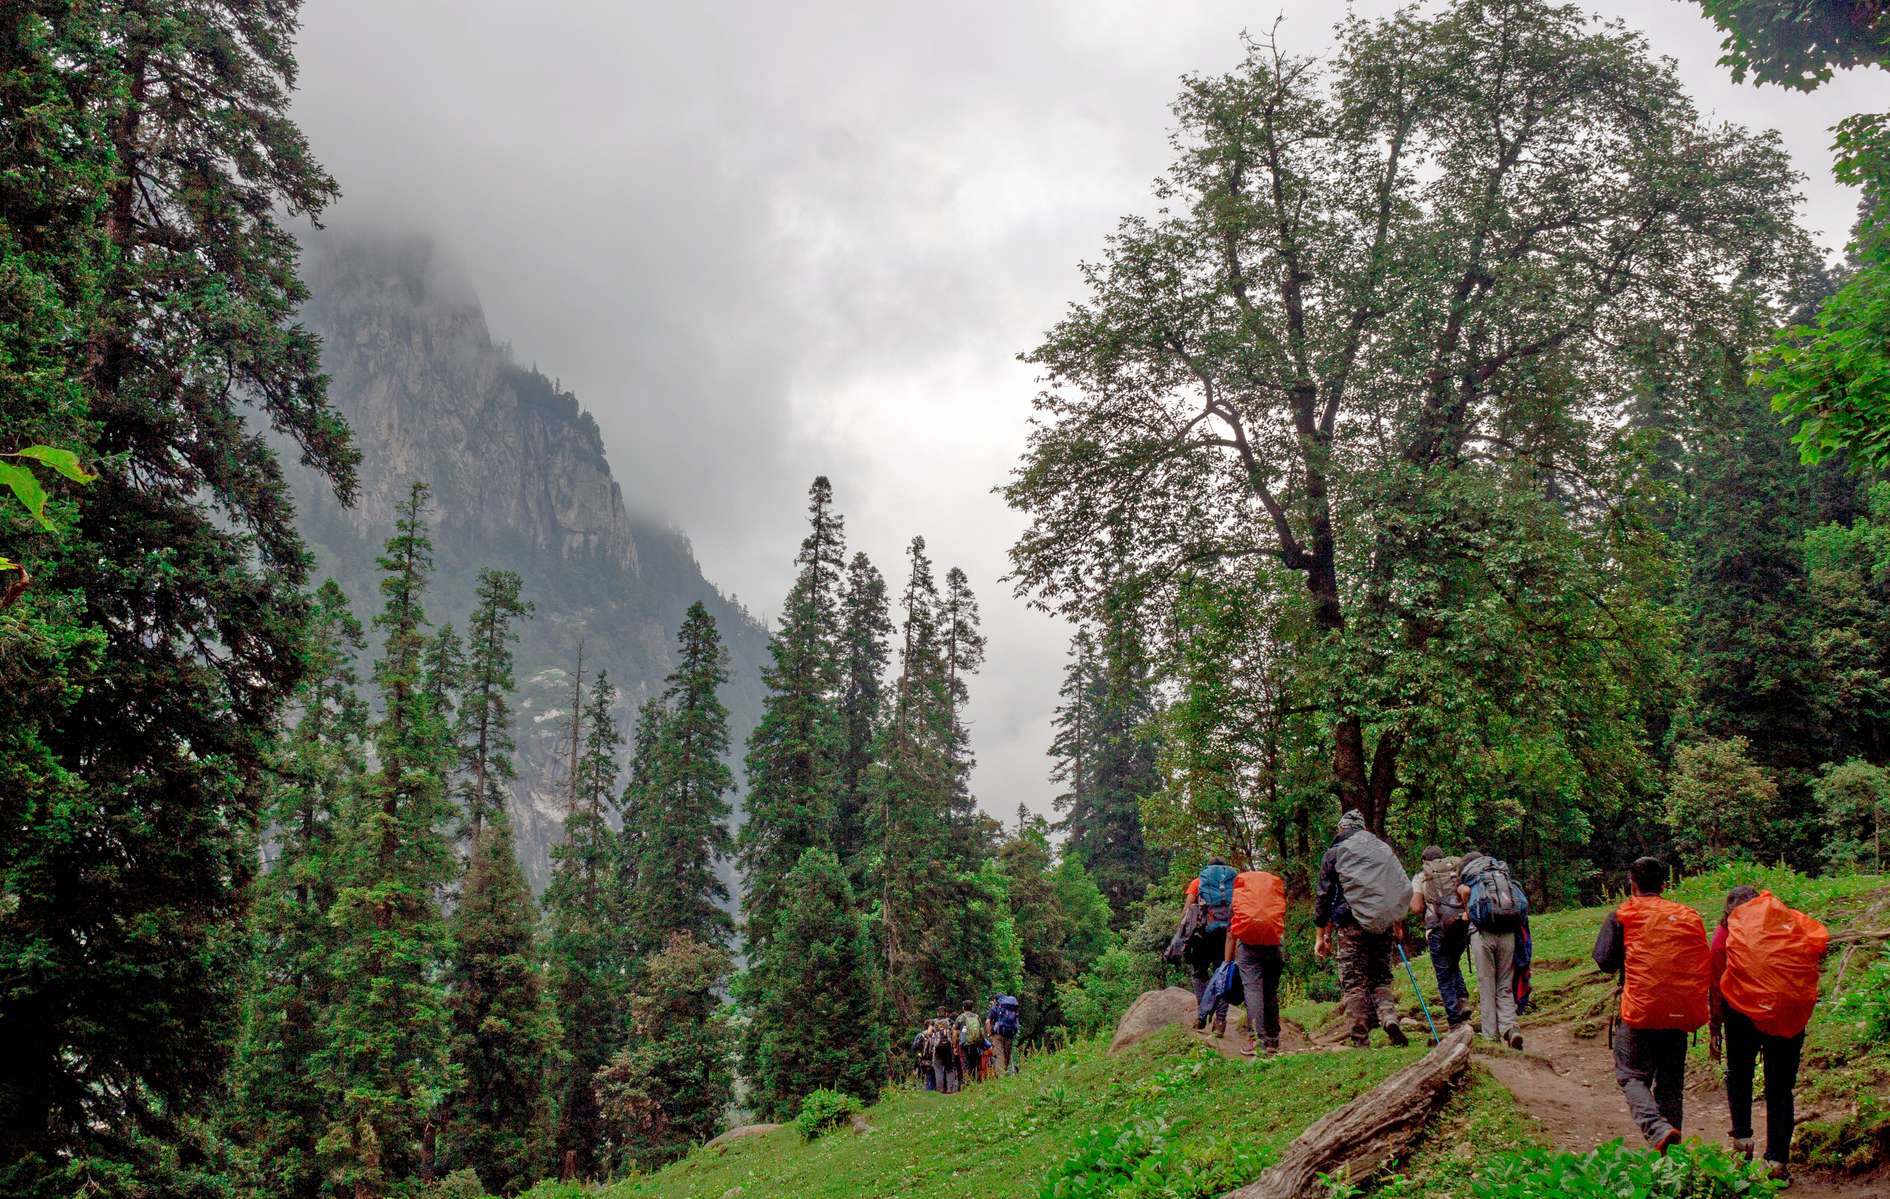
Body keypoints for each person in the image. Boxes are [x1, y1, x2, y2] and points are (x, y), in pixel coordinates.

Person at [1711, 885, 1829, 1183]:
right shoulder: (1786, 926)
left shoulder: (1726, 933)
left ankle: (1742, 1145)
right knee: (1780, 1088)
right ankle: (1777, 1162)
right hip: (1786, 1013)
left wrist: (1715, 1026)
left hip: (1740, 1014)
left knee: (1739, 1075)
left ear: (1730, 910)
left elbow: (1715, 981)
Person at [1593, 856, 1711, 1153]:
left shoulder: (1622, 914)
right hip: (1680, 1011)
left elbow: (1605, 961)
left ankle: (1656, 1128)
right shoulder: (1688, 915)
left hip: (1641, 1010)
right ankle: (1672, 1159)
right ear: (1664, 884)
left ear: (1631, 884)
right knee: (1671, 1086)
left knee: (1631, 1075)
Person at [1315, 810, 1409, 1048]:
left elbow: (1323, 897)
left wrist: (1321, 936)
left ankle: (1360, 1039)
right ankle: (1388, 1017)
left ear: (1342, 829)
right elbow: (1395, 887)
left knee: (1354, 981)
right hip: (1383, 923)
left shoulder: (1334, 853)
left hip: (1350, 924)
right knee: (1381, 977)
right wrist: (1397, 923)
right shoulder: (1382, 851)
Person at [1459, 850, 1526, 1050]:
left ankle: (1491, 1037)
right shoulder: (1499, 873)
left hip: (1482, 934)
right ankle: (1510, 1027)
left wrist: (1467, 910)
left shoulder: (1470, 879)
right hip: (1508, 932)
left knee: (1486, 984)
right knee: (1504, 984)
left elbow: (1464, 892)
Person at [1225, 866, 1287, 1056]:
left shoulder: (1239, 897)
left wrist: (1227, 962)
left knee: (1252, 991)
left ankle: (1256, 1041)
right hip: (1273, 946)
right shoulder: (1274, 894)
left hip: (1248, 948)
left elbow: (1231, 932)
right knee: (1270, 992)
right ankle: (1273, 1040)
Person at [1409, 847, 1472, 1030]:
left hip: (1437, 929)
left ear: (1424, 862)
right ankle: (1463, 999)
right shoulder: (1455, 873)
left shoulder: (1422, 876)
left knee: (1444, 975)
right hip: (1460, 925)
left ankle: (1454, 1022)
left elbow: (1416, 908)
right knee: (1453, 963)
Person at [1188, 859, 1238, 1036]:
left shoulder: (1198, 882)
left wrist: (1182, 936)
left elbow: (1188, 910)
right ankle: (1220, 1021)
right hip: (1227, 935)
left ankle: (1202, 1016)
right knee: (1223, 975)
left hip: (1204, 934)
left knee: (1198, 973)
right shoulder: (1233, 884)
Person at [986, 993, 1020, 1076]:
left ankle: (1002, 1078)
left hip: (997, 1035)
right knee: (1007, 1056)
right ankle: (1007, 1073)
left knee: (999, 1055)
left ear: (996, 1000)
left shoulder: (995, 1008)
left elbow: (987, 1022)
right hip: (1009, 1035)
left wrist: (990, 1033)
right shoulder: (1011, 1008)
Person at [956, 1001, 986, 1085]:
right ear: (972, 1007)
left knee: (965, 1063)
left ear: (963, 1007)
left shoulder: (961, 1017)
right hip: (976, 1044)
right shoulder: (977, 1017)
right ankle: (975, 1081)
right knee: (974, 1062)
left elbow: (955, 1032)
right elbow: (981, 1031)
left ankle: (967, 1082)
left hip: (964, 1044)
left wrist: (955, 1045)